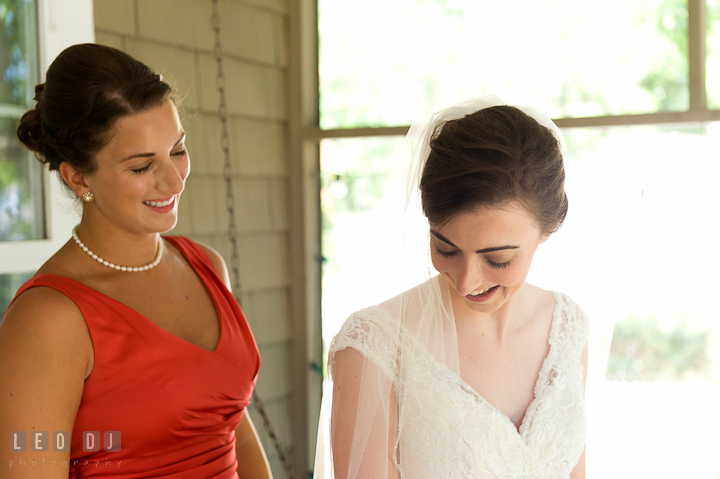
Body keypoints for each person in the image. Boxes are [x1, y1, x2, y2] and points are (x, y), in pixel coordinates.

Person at [0, 44, 272, 479]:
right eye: (142, 166)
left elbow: (228, 425)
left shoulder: (206, 265)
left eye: (177, 150)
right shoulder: (47, 319)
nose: (174, 179)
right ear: (78, 176)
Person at [315, 96, 590, 479]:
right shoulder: (373, 347)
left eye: (497, 259)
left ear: (550, 228)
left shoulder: (567, 329)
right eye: (446, 248)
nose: (466, 281)